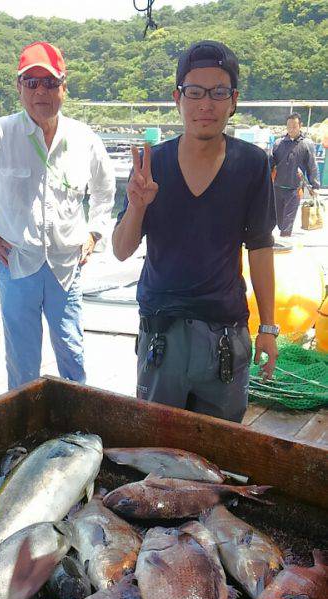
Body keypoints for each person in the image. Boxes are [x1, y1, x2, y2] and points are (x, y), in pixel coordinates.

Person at [113, 40, 278, 423]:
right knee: (156, 446)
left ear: (233, 100)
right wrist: (137, 205)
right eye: (195, 92)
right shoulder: (152, 164)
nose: (206, 104)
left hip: (225, 335)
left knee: (220, 451)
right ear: (178, 98)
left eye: (218, 92)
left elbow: (260, 247)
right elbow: (121, 250)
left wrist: (268, 327)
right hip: (162, 335)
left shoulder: (251, 163)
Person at [0, 42, 115, 389]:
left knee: (73, 354)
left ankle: (78, 418)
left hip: (66, 266)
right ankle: (24, 422)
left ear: (64, 87)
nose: (40, 91)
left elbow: (105, 190)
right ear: (19, 88)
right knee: (22, 362)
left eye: (49, 82)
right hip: (16, 263)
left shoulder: (84, 139)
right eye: (31, 83)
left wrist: (95, 232)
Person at [270, 112, 320, 237]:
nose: (291, 129)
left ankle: (285, 237)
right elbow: (270, 164)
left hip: (295, 188)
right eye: (289, 126)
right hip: (277, 187)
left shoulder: (307, 144)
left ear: (300, 126)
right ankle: (283, 233)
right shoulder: (278, 143)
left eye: (294, 126)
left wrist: (315, 186)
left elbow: (312, 166)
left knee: (287, 221)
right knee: (279, 219)